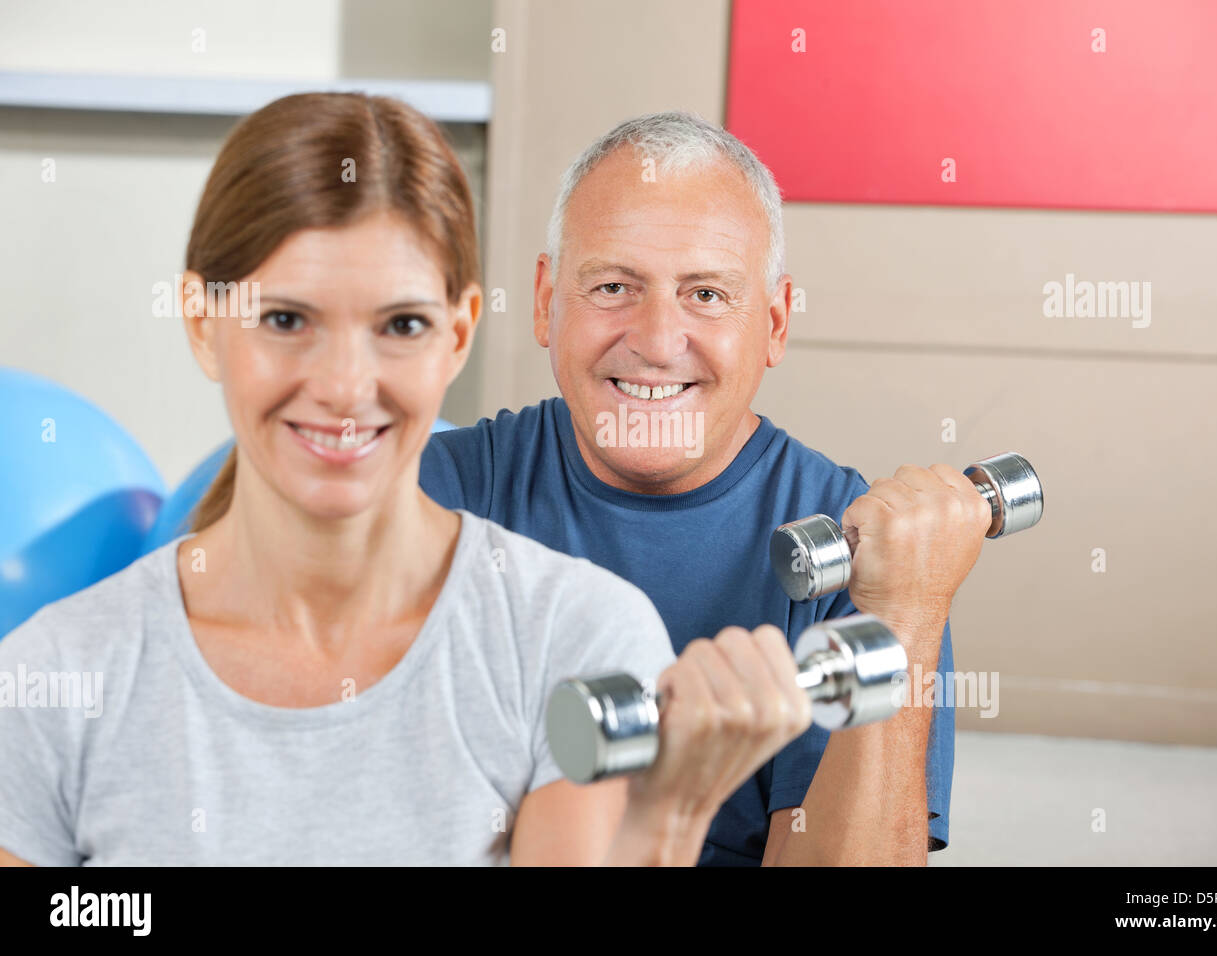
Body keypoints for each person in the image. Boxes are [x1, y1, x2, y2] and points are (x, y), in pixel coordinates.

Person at [0, 94, 813, 867]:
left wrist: (670, 819)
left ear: (457, 335)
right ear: (204, 324)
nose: (346, 385)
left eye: (401, 325)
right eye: (287, 320)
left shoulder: (577, 639)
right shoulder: (55, 674)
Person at [418, 112, 993, 865]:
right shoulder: (433, 493)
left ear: (776, 322)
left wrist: (908, 617)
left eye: (708, 295)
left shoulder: (864, 556)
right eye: (613, 285)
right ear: (545, 302)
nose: (657, 342)